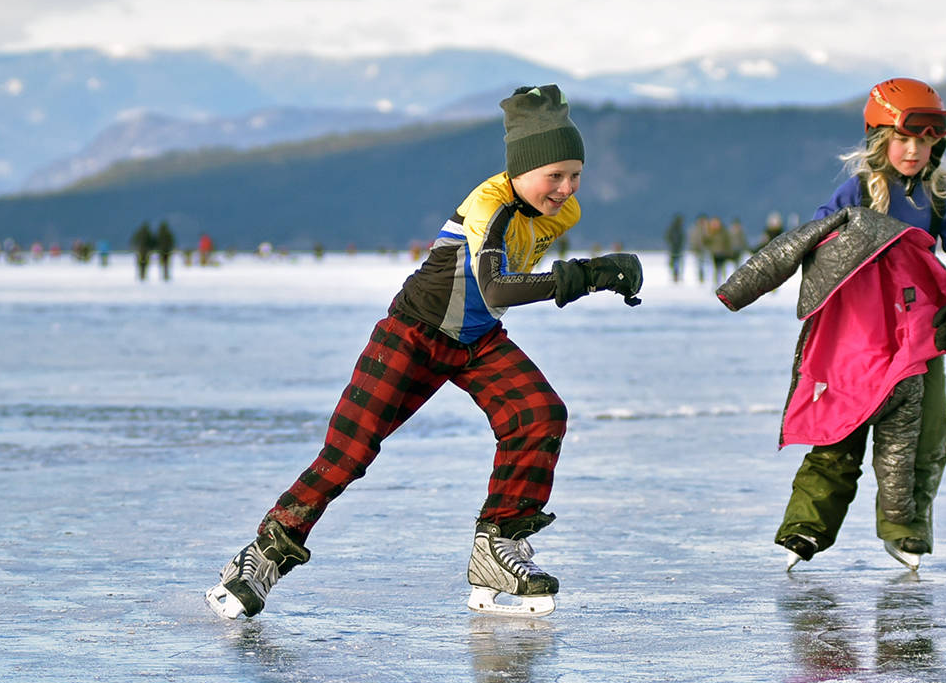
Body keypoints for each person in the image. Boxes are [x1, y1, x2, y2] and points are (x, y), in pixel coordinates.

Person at [204, 86, 643, 620]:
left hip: (475, 340)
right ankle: (263, 554)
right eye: (554, 175)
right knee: (350, 450)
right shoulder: (492, 206)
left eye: (576, 174)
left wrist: (586, 274)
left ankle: (497, 546)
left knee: (539, 415)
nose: (566, 188)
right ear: (520, 170)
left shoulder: (561, 211)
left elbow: (498, 295)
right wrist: (581, 276)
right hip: (411, 334)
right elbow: (498, 287)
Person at [716, 77, 946, 572]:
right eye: (903, 140)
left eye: (925, 142)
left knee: (924, 437)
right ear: (880, 141)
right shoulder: (859, 191)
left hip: (918, 334)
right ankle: (807, 527)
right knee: (840, 429)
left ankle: (905, 529)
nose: (913, 151)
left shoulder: (941, 194)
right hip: (858, 334)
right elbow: (814, 239)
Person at [665, 212, 686, 283]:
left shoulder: (673, 228)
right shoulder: (678, 229)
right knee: (676, 263)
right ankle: (676, 276)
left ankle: (675, 276)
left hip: (675, 249)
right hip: (675, 249)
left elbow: (667, 237)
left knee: (675, 263)